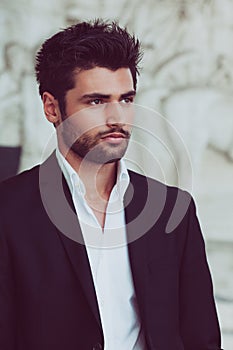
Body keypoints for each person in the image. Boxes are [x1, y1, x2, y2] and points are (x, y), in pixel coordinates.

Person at [0, 19, 222, 350]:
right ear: (52, 108)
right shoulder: (8, 211)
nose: (116, 116)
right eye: (96, 101)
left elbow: (201, 338)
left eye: (126, 98)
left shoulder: (172, 210)